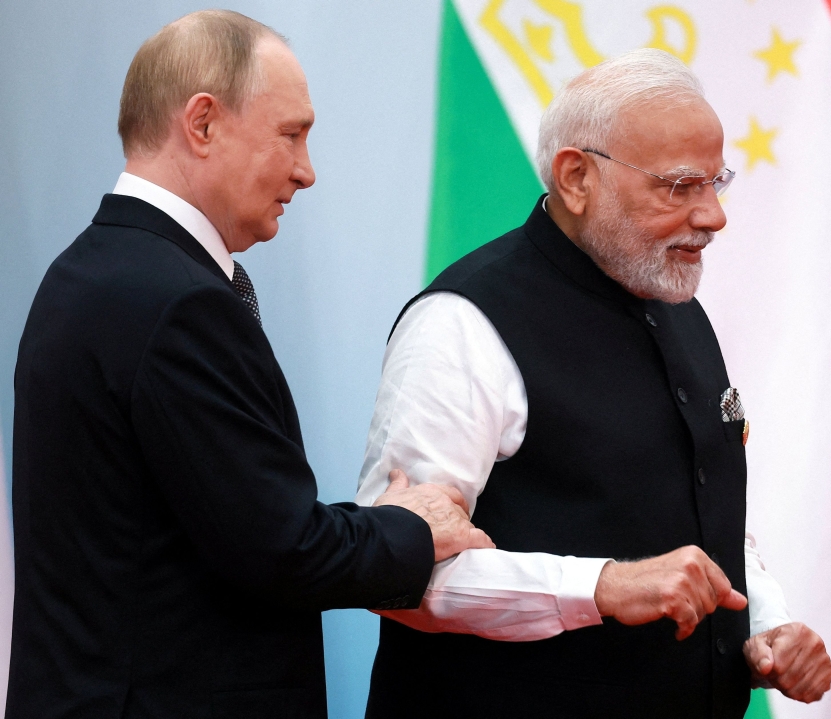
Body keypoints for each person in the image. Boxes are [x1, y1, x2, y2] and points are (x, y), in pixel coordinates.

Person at [6, 11, 491, 719]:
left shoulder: (89, 271)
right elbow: (283, 548)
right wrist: (414, 525)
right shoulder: (176, 303)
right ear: (202, 124)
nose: (307, 169)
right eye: (291, 133)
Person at [356, 49, 831, 718]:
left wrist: (766, 626)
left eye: (716, 182)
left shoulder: (678, 306)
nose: (714, 215)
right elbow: (397, 572)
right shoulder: (462, 324)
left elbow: (704, 528)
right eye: (679, 186)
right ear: (576, 178)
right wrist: (602, 586)